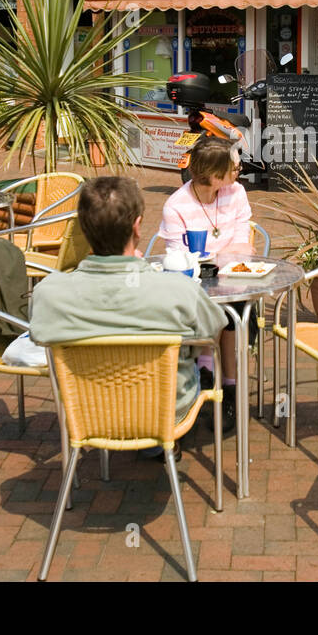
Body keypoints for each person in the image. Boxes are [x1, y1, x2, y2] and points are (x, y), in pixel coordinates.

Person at [30, 176, 226, 445]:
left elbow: (39, 334)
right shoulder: (178, 290)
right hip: (167, 409)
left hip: (87, 411)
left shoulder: (49, 294)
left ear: (84, 230)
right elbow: (213, 327)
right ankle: (158, 444)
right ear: (137, 227)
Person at [158, 137, 252, 400]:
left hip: (233, 278)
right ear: (213, 175)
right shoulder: (176, 205)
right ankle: (209, 372)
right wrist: (223, 254)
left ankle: (225, 382)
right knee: (210, 305)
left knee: (233, 304)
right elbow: (178, 258)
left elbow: (244, 244)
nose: (238, 171)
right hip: (193, 283)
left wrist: (218, 257)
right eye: (233, 168)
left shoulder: (236, 193)